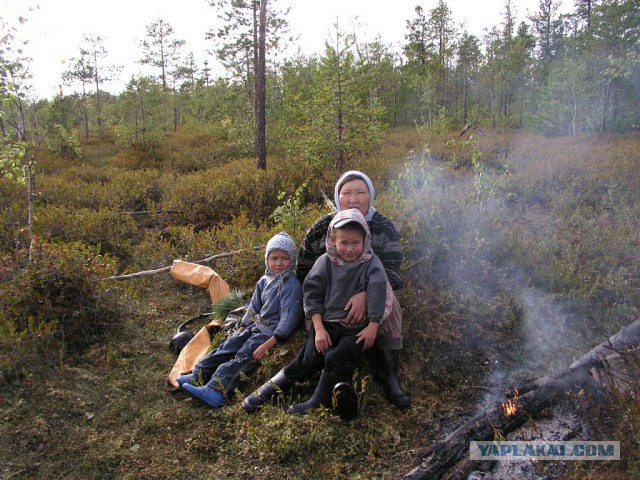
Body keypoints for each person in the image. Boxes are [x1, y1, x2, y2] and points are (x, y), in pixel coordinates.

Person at [242, 208, 392, 420]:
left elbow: (378, 292)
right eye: (344, 242)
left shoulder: (371, 263)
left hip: (356, 329)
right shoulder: (325, 262)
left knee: (339, 355)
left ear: (365, 240)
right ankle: (264, 391)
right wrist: (318, 329)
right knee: (307, 359)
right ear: (332, 239)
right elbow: (312, 294)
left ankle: (319, 400)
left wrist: (373, 326)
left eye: (355, 243)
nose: (349, 249)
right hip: (327, 323)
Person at [296, 170, 410, 407]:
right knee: (323, 327)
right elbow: (305, 267)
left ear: (371, 195)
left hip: (373, 289)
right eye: (346, 193)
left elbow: (392, 271)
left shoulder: (383, 226)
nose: (353, 199)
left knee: (392, 306)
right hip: (331, 292)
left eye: (361, 192)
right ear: (338, 197)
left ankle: (388, 374)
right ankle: (335, 375)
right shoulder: (323, 227)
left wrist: (366, 295)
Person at [177, 232, 302, 408]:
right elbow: (254, 306)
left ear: (292, 259)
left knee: (243, 356)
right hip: (256, 326)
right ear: (267, 260)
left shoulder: (292, 286)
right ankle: (199, 374)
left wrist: (268, 344)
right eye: (274, 258)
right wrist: (243, 326)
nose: (279, 263)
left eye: (284, 258)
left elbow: (289, 320)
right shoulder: (265, 281)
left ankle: (216, 390)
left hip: (269, 333)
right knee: (227, 347)